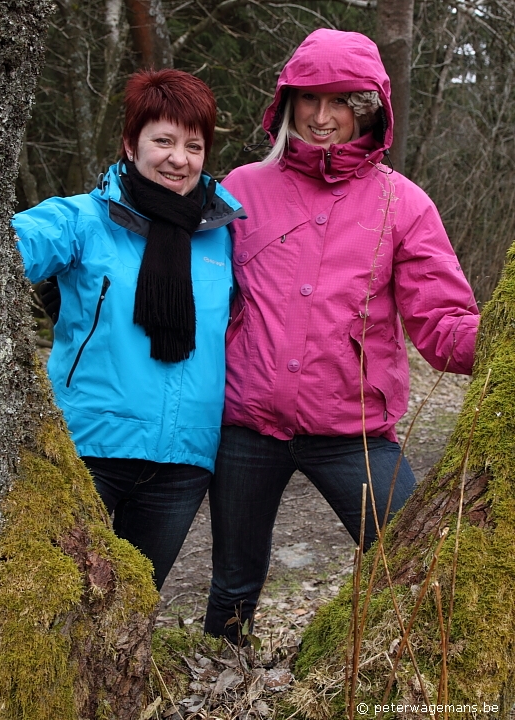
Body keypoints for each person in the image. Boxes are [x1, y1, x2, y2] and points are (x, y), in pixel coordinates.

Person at [204, 28, 480, 641]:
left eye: (341, 102)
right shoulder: (243, 188)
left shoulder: (402, 204)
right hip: (247, 425)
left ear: (370, 109)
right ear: (288, 103)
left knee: (413, 562)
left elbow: (440, 320)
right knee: (233, 584)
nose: (322, 118)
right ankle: (221, 677)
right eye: (310, 100)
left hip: (352, 430)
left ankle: (395, 670)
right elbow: (193, 283)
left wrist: (495, 344)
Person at [12, 69, 245, 590]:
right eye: (162, 140)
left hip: (183, 460)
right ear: (130, 143)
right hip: (88, 448)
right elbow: (7, 247)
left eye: (193, 144)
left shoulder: (223, 236)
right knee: (57, 603)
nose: (178, 159)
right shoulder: (82, 220)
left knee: (133, 610)